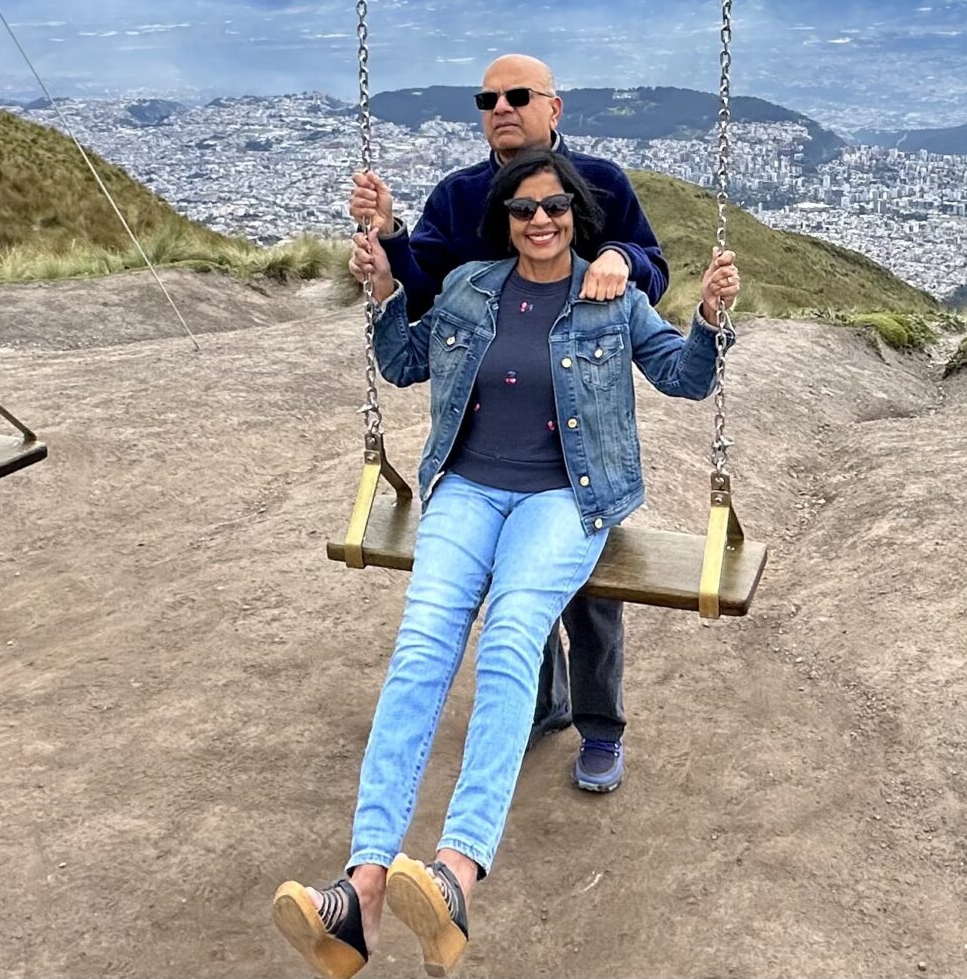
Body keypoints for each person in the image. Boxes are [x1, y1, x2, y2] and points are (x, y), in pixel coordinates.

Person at [279, 145, 739, 979]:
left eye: (555, 207)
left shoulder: (614, 299)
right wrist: (382, 292)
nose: (540, 220)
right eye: (524, 209)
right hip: (465, 489)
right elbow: (404, 363)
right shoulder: (468, 288)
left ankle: (454, 874)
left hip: (564, 498)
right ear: (505, 220)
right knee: (420, 650)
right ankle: (362, 889)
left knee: (510, 639)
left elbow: (684, 378)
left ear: (577, 217)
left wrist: (708, 318)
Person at [348, 53, 660, 795]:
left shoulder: (601, 184)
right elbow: (424, 286)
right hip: (489, 440)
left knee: (588, 595)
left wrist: (618, 257)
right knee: (511, 590)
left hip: (576, 441)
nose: (502, 108)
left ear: (555, 107)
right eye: (487, 99)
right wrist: (388, 242)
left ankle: (600, 725)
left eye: (519, 95)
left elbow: (652, 267)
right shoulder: (461, 196)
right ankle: (540, 705)